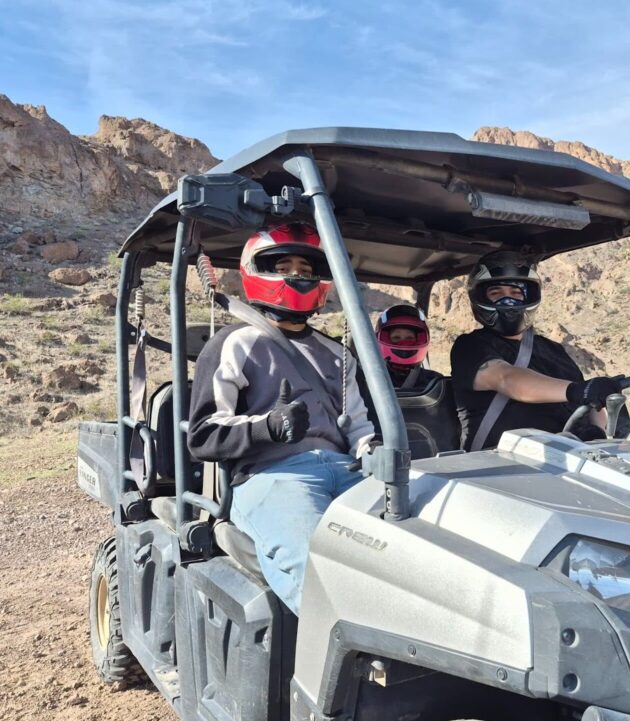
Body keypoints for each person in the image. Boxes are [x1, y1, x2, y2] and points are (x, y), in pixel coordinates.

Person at [187, 221, 375, 615]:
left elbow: (358, 425)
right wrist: (268, 426)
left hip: (347, 470)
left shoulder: (338, 354)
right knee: (315, 564)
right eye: (283, 266)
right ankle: (361, 666)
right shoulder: (234, 342)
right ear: (258, 271)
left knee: (412, 553)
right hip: (272, 475)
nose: (296, 277)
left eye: (306, 271)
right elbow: (204, 434)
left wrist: (371, 453)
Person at [450, 250, 621, 451]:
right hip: (500, 465)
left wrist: (598, 428)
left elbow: (588, 397)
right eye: (496, 294)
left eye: (516, 294)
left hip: (568, 457)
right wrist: (575, 390)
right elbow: (507, 378)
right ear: (479, 298)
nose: (509, 302)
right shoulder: (470, 346)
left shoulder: (554, 349)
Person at [375, 304, 441, 390]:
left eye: (409, 338)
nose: (403, 343)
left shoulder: (435, 382)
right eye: (396, 338)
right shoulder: (371, 381)